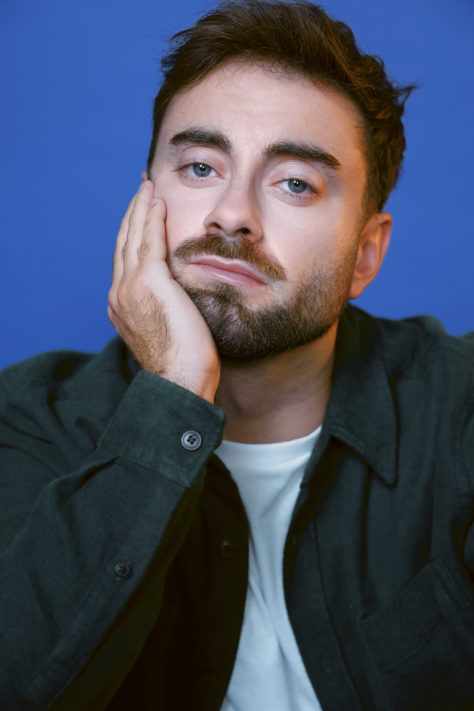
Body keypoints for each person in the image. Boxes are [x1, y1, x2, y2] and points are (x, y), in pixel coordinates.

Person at [1, 1, 473, 709]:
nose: (231, 214)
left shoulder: (460, 407)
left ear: (365, 254)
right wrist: (176, 389)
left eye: (294, 183)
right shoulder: (29, 421)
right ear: (144, 201)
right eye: (199, 167)